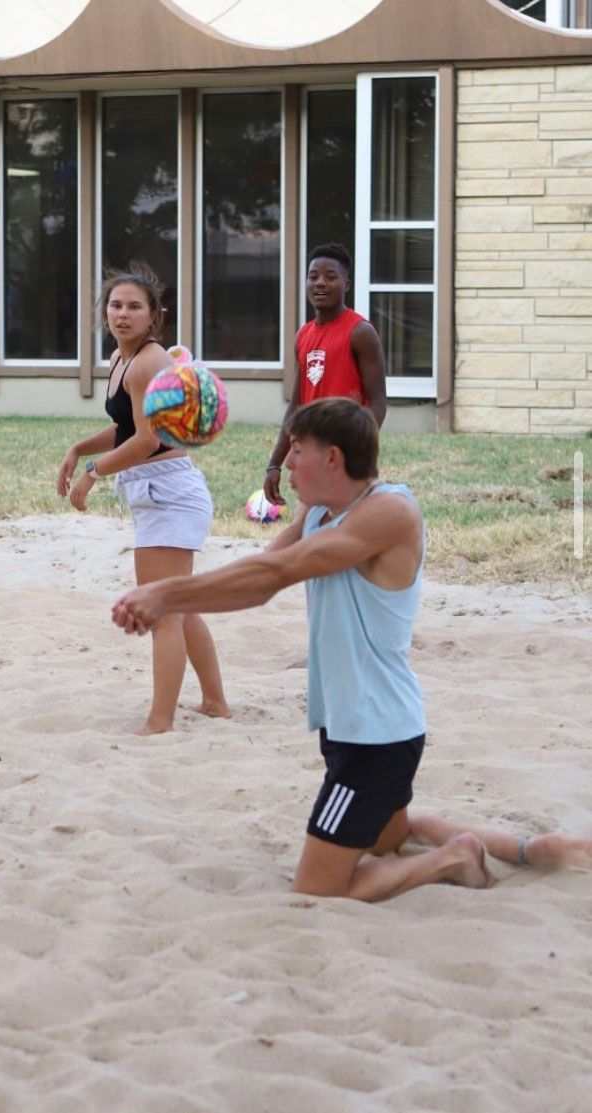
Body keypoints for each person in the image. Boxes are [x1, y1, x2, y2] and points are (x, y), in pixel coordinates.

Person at [113, 397, 589, 902]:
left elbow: (277, 572)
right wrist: (171, 601)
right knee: (390, 834)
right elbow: (258, 580)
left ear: (333, 459)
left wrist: (163, 594)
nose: (287, 463)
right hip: (352, 723)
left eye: (297, 451)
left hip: (374, 736)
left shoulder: (388, 513)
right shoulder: (321, 511)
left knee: (317, 887)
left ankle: (454, 857)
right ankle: (530, 848)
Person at [57, 263, 229, 735]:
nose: (123, 314)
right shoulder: (120, 359)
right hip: (158, 491)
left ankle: (160, 722)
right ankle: (215, 702)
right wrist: (79, 448)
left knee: (161, 610)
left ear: (154, 315)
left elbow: (148, 441)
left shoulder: (150, 361)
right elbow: (126, 428)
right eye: (115, 305)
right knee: (179, 604)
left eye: (135, 306)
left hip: (170, 491)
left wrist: (93, 472)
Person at [262, 244, 387, 508]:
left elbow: (377, 402)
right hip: (312, 457)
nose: (320, 283)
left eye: (330, 277)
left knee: (347, 531)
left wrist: (355, 453)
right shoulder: (303, 335)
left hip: (345, 459)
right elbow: (296, 406)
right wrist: (274, 463)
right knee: (312, 529)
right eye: (313, 276)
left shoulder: (360, 332)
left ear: (346, 284)